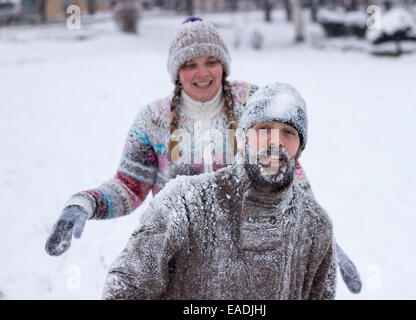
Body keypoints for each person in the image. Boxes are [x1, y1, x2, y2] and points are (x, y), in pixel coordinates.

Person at [44, 16, 360, 294]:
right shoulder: (152, 120)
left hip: (247, 254)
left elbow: (286, 170)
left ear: (223, 64)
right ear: (176, 71)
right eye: (189, 64)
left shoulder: (251, 101)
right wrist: (84, 203)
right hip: (177, 255)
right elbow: (130, 185)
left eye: (211, 61)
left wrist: (317, 236)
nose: (202, 73)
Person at [103, 83, 336, 300]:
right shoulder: (184, 203)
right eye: (264, 128)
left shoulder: (315, 225)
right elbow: (124, 289)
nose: (275, 141)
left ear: (300, 150)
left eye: (288, 132)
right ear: (244, 138)